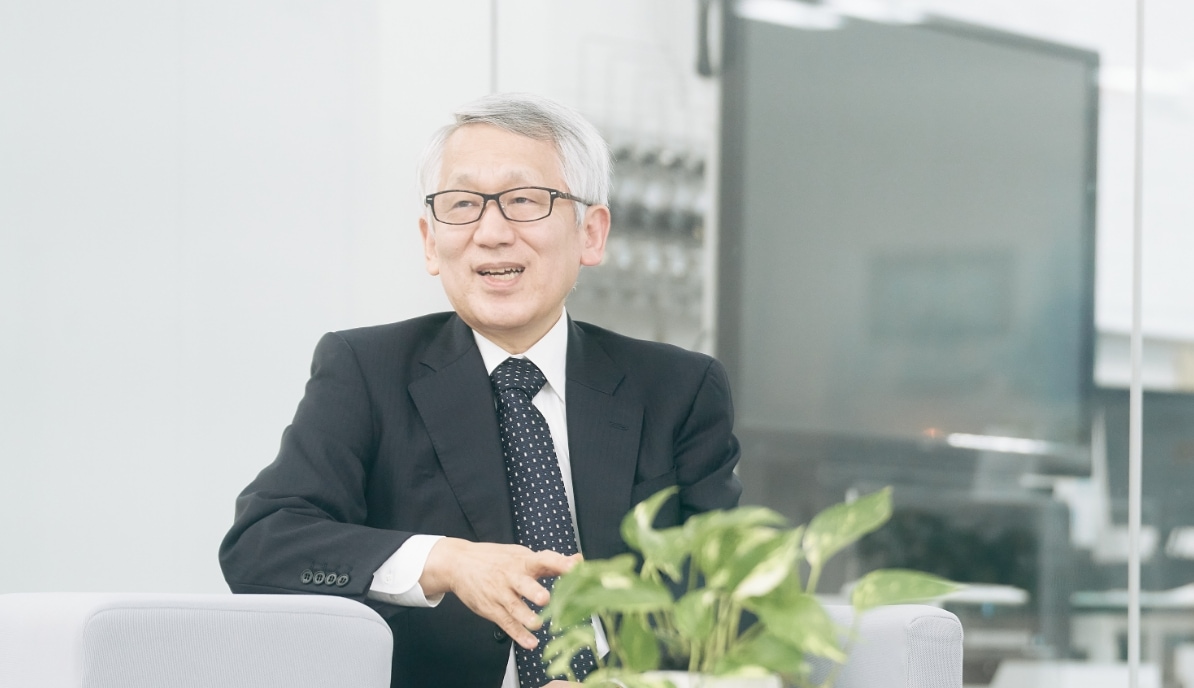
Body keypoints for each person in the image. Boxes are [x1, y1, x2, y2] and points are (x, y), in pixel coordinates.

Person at [218, 93, 742, 688]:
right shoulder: (366, 371)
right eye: (463, 205)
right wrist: (446, 561)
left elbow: (732, 597)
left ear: (591, 234)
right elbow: (261, 544)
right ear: (429, 240)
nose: (490, 233)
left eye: (524, 200)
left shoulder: (678, 389)